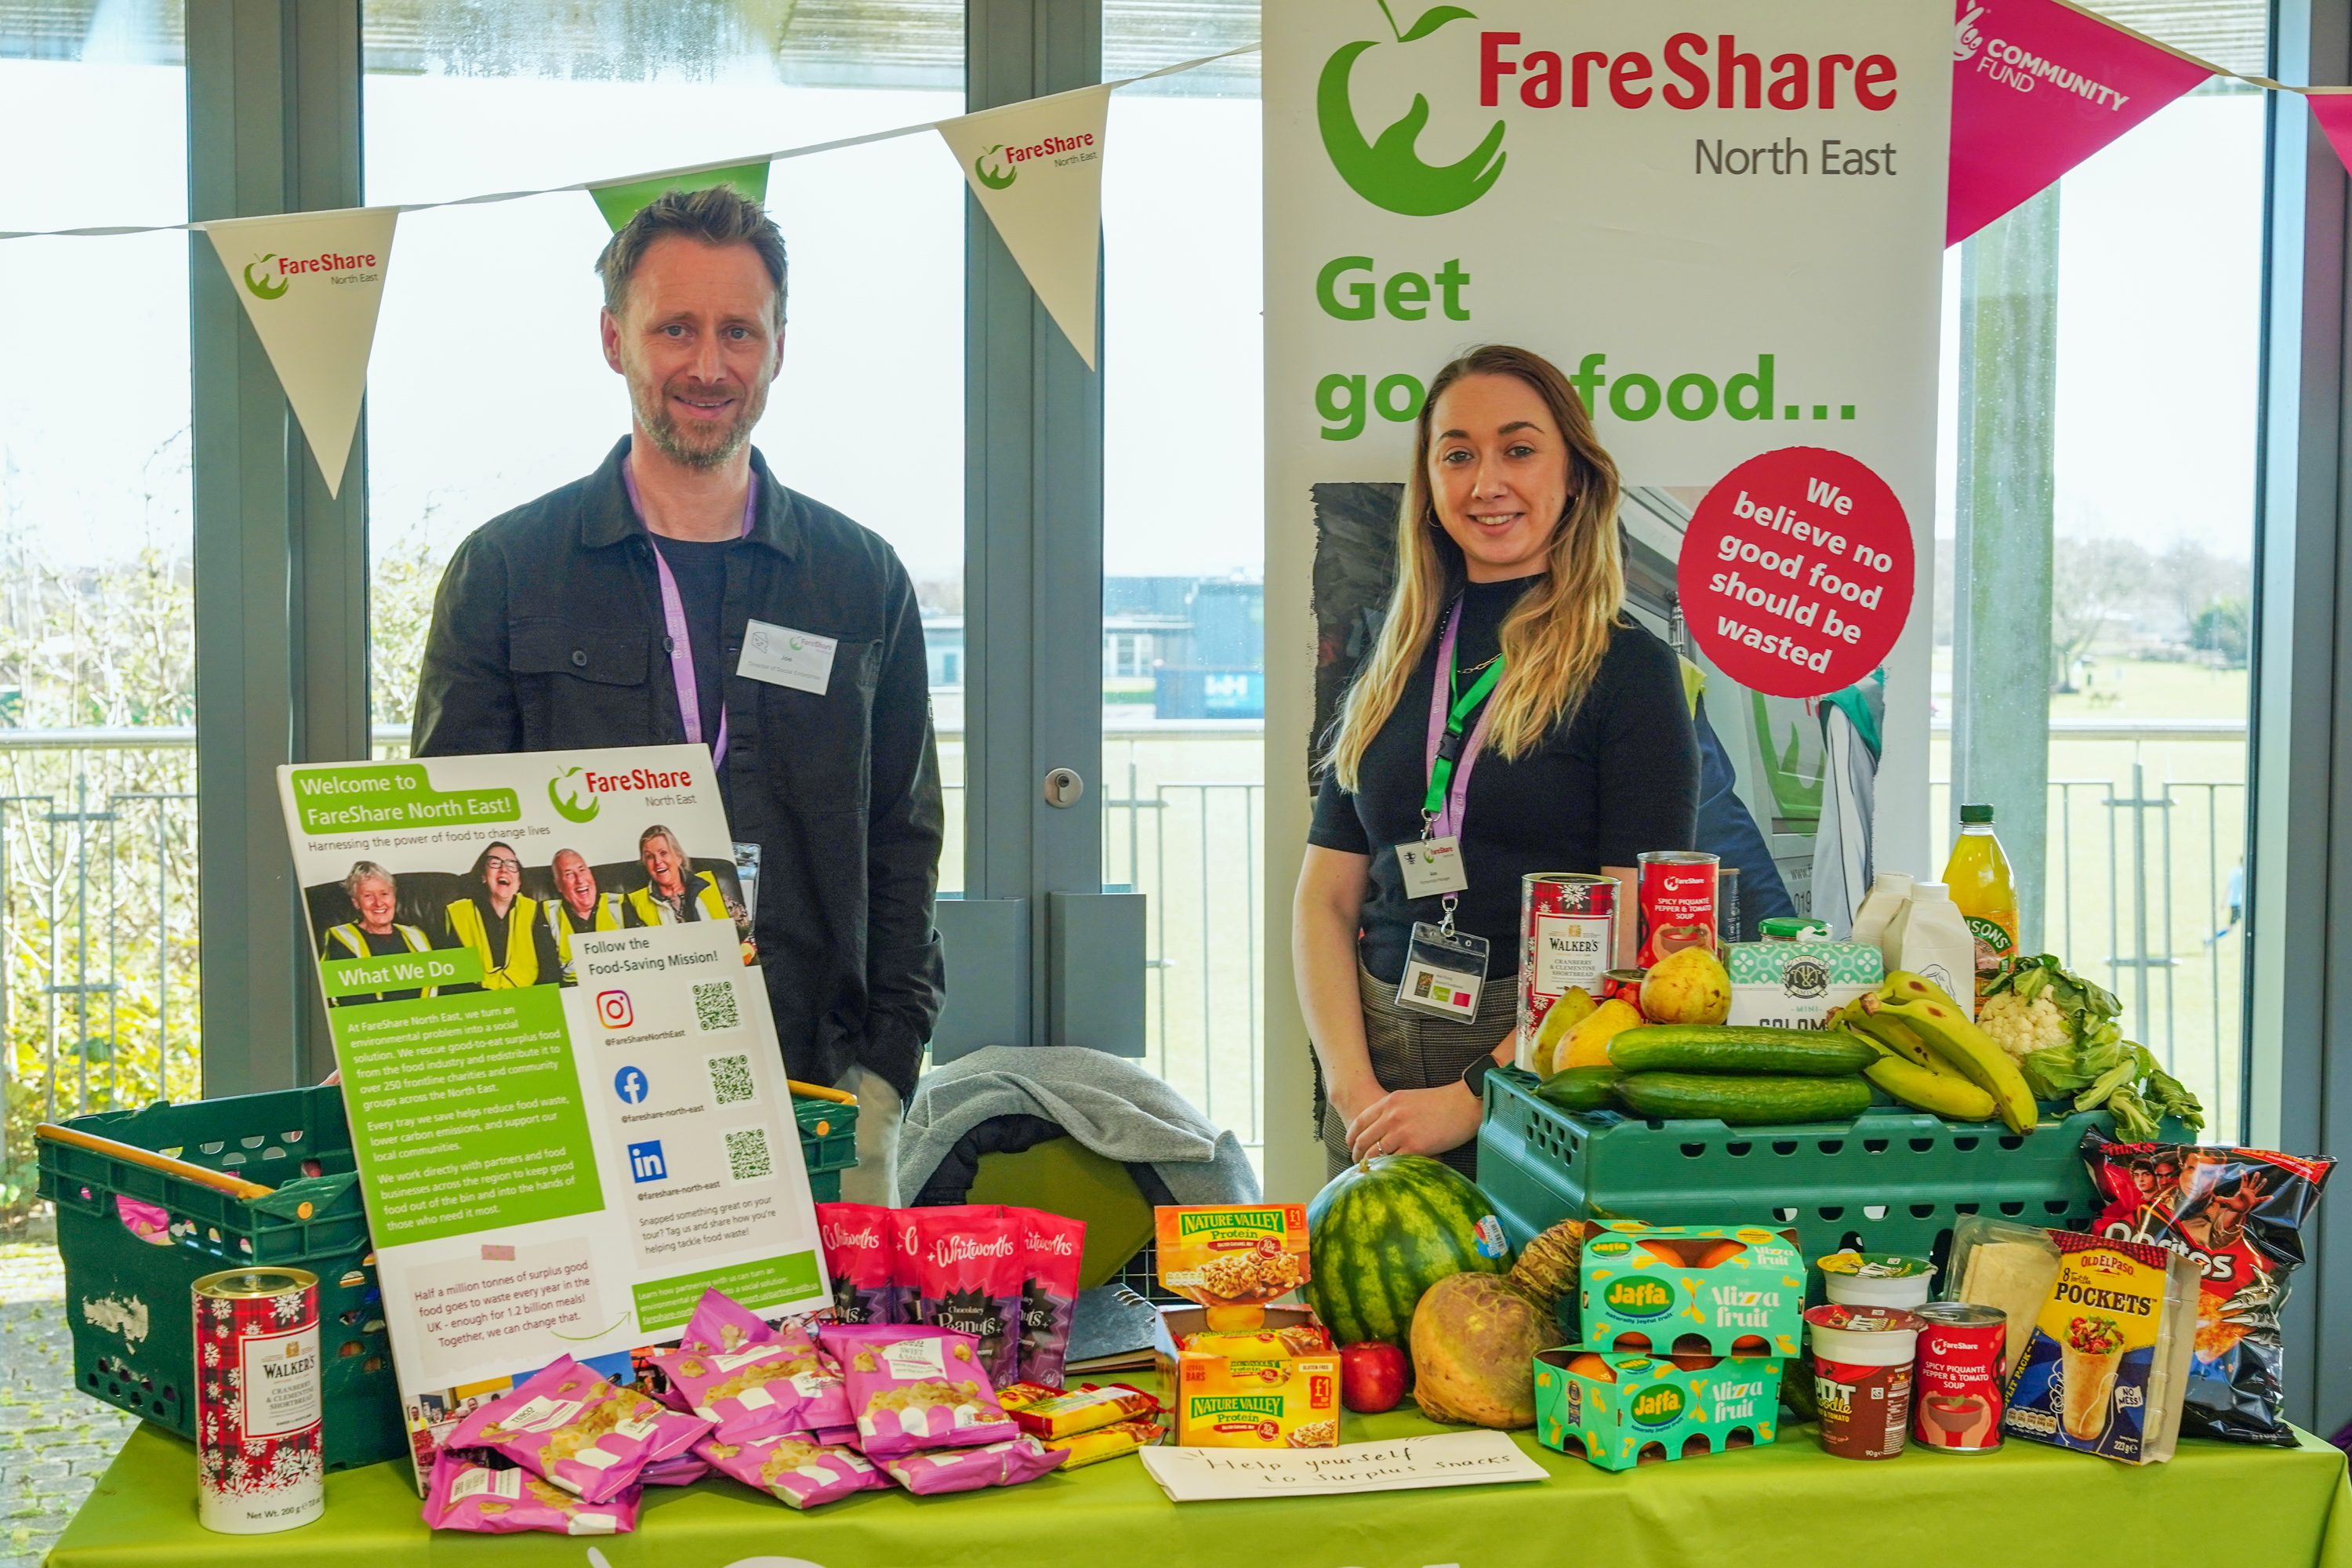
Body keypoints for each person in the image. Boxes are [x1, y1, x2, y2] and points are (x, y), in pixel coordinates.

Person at [408, 186, 942, 1205]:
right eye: (676, 329)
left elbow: (904, 835)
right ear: (615, 340)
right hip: (576, 1088)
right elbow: (451, 839)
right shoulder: (508, 572)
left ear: (779, 348)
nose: (708, 365)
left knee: (819, 1324)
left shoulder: (859, 579)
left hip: (816, 1081)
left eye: (739, 330)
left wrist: (888, 1061)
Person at [1294, 344, 1700, 1181]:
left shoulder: (1629, 668)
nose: (1487, 482)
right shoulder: (1392, 661)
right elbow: (1325, 898)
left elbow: (1630, 931)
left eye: (1518, 449)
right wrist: (1351, 1087)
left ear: (1574, 475)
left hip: (1543, 1071)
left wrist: (1478, 1092)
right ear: (1429, 480)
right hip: (1377, 1063)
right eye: (1458, 454)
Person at [320, 861, 439, 1005]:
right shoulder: (342, 938)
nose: (378, 903)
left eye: (384, 894)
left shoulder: (416, 935)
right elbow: (352, 1000)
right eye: (368, 896)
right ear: (356, 903)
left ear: (393, 897)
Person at [444, 840, 559, 989]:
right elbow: (454, 978)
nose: (504, 869)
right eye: (495, 863)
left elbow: (550, 971)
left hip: (530, 997)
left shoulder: (534, 911)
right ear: (483, 876)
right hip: (479, 1001)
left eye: (512, 865)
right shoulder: (459, 913)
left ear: (519, 882)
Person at [546, 848, 627, 985]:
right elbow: (549, 976)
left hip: (621, 985)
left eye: (582, 870)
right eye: (569, 874)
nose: (580, 880)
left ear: (591, 874)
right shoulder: (548, 915)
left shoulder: (620, 904)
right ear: (559, 885)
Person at [626, 823, 731, 927]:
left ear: (678, 857)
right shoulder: (635, 903)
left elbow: (740, 926)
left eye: (663, 853)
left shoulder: (710, 884)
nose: (657, 861)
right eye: (650, 857)